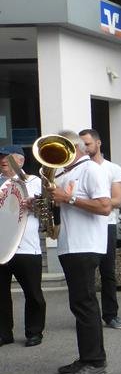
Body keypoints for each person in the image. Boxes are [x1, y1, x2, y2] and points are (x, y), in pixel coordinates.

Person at [49, 130, 112, 374]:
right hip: (70, 245)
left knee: (85, 304)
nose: (56, 156)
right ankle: (86, 357)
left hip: (85, 245)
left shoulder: (91, 170)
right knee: (79, 304)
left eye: (60, 149)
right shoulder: (65, 173)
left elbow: (105, 206)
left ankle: (95, 361)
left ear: (74, 148)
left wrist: (68, 198)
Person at [80, 129, 121, 329]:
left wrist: (93, 202)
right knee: (86, 275)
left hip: (106, 225)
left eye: (87, 144)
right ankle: (88, 316)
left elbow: (117, 201)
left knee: (108, 272)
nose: (84, 148)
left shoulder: (113, 168)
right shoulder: (78, 169)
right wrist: (96, 202)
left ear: (98, 143)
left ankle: (111, 315)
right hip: (84, 226)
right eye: (81, 145)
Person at [0, 146, 46, 347]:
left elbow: (44, 207)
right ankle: (4, 333)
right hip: (1, 247)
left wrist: (35, 204)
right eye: (1, 157)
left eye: (7, 157)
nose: (3, 160)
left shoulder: (34, 181)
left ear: (20, 161)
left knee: (33, 293)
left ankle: (34, 332)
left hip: (27, 247)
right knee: (1, 294)